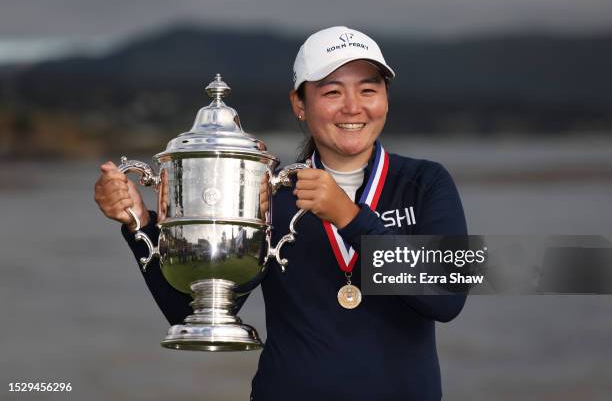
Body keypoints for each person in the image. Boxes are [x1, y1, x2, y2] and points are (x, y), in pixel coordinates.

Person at [94, 26, 467, 400]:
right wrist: (139, 224)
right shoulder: (270, 190)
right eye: (332, 91)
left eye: (368, 89)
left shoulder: (427, 181)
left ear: (386, 99)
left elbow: (448, 299)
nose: (353, 107)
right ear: (299, 104)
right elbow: (191, 310)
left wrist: (349, 217)